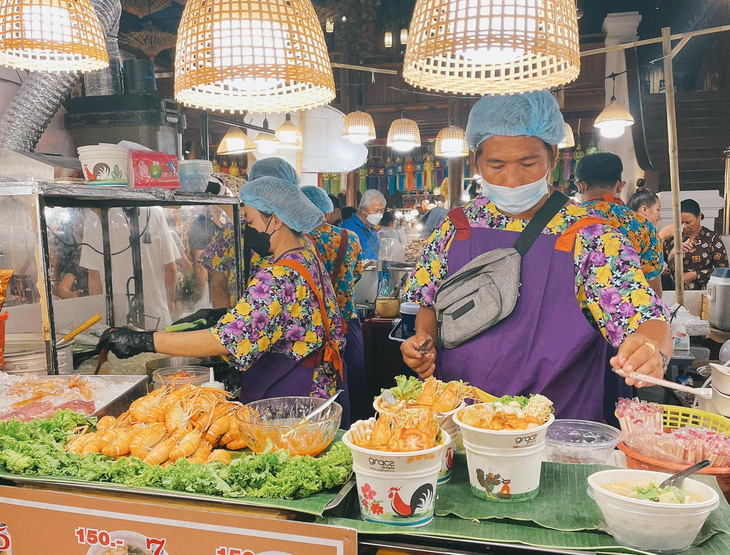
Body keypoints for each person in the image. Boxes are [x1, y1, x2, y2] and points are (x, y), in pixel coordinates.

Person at [400, 90, 672, 422]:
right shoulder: (456, 227)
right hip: (459, 420)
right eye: (496, 165)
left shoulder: (590, 236)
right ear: (476, 161)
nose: (512, 180)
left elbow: (641, 312)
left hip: (554, 429)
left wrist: (652, 348)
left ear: (553, 156)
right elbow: (428, 300)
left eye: (528, 163)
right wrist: (422, 341)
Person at [96, 176, 349, 417]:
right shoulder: (305, 255)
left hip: (292, 399)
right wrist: (226, 315)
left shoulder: (278, 275)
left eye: (249, 221)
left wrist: (143, 341)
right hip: (317, 386)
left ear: (275, 220)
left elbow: (225, 342)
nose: (246, 229)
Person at [301, 186, 366, 421]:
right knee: (353, 378)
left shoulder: (299, 242)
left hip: (315, 324)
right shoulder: (350, 238)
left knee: (321, 383)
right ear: (326, 210)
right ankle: (356, 427)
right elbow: (357, 273)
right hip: (347, 317)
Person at [575, 152, 663, 295]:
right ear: (620, 186)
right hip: (626, 313)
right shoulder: (643, 226)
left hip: (572, 313)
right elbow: (653, 290)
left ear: (580, 186)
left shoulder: (564, 221)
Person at [80, 206, 179, 329]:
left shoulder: (96, 215)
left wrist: (98, 319)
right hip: (157, 314)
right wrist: (171, 304)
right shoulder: (155, 211)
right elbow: (170, 268)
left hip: (116, 318)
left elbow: (94, 274)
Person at [664, 199, 729, 290]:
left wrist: (695, 275)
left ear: (699, 216)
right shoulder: (671, 238)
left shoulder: (712, 239)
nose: (684, 226)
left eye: (688, 222)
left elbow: (723, 272)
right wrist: (673, 254)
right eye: (681, 222)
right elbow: (662, 268)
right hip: (672, 290)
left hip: (703, 293)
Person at [341, 190, 386, 260]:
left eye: (382, 211)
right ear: (363, 210)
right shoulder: (348, 228)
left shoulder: (372, 228)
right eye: (376, 211)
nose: (379, 214)